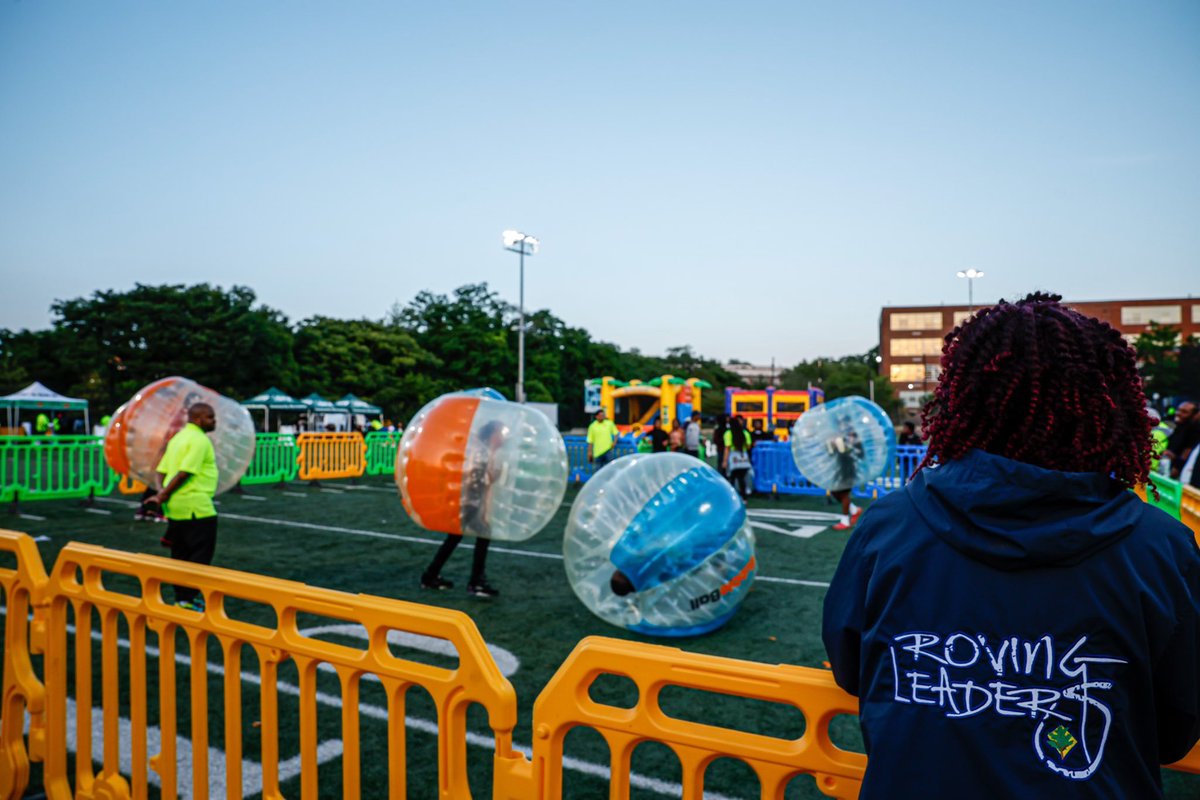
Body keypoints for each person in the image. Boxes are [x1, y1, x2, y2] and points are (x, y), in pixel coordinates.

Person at [822, 292, 1200, 799]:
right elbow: (1176, 727)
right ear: (1109, 404)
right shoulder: (1161, 548)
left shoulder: (887, 526)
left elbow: (852, 670)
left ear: (961, 398)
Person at [147, 403, 220, 612]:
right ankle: (188, 598)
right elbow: (185, 472)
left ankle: (182, 598)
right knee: (199, 556)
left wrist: (161, 494)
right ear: (198, 419)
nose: (214, 421)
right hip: (196, 506)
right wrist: (163, 494)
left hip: (176, 507)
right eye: (210, 417)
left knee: (179, 554)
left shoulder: (178, 438)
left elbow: (160, 470)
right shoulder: (199, 440)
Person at [420, 421, 504, 597]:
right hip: (467, 502)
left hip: (468, 502)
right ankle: (476, 582)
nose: (503, 437)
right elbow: (478, 479)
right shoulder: (481, 451)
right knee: (482, 534)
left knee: (455, 537)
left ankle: (431, 575)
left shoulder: (486, 450)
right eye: (500, 433)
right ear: (492, 434)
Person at [1164, 401, 1198, 479]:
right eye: (1178, 410)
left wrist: (1177, 466)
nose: (1178, 413)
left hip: (1176, 472)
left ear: (1194, 415)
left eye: (1184, 412)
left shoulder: (1194, 431)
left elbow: (1186, 453)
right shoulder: (1173, 425)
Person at [722, 416, 753, 498]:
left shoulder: (728, 433)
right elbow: (749, 446)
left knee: (732, 478)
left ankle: (731, 496)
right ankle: (744, 497)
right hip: (743, 457)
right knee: (742, 478)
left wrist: (724, 461)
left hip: (733, 457)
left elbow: (727, 448)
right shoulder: (745, 433)